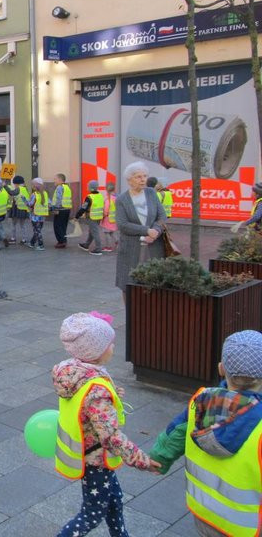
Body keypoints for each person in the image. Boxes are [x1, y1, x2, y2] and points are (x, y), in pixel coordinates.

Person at [54, 312, 159, 536]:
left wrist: (112, 393)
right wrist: (142, 461)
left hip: (92, 454)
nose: (113, 347)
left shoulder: (78, 371)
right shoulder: (96, 389)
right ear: (95, 352)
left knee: (114, 501)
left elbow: (87, 402)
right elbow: (110, 436)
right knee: (91, 515)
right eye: (110, 344)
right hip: (95, 461)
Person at [149, 330, 262, 537]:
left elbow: (174, 435)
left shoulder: (198, 402)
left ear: (221, 368)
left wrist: (159, 459)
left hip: (204, 513)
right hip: (247, 526)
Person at [114, 162, 166, 296]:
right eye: (138, 177)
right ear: (129, 180)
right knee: (128, 284)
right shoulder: (121, 199)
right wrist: (146, 231)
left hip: (154, 246)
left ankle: (150, 314)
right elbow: (122, 224)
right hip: (130, 248)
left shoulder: (151, 193)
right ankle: (131, 314)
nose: (143, 179)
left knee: (155, 283)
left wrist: (155, 231)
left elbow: (162, 216)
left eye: (145, 176)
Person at [75, 180, 105, 256]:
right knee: (92, 231)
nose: (87, 187)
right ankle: (86, 245)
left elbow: (83, 208)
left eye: (88, 186)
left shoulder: (89, 198)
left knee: (95, 232)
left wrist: (77, 216)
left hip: (92, 217)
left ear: (91, 188)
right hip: (99, 216)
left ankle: (98, 249)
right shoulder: (100, 195)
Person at [23, 177, 48, 251]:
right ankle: (32, 243)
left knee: (37, 231)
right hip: (42, 215)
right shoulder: (45, 193)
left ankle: (41, 245)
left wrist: (24, 199)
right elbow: (48, 203)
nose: (32, 186)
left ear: (35, 186)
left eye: (32, 184)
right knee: (38, 230)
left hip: (35, 215)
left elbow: (30, 204)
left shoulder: (34, 194)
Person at [50, 173, 74, 248]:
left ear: (60, 180)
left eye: (55, 179)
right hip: (66, 209)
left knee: (57, 226)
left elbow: (58, 199)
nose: (54, 180)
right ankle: (64, 240)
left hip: (60, 209)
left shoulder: (59, 187)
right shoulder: (67, 187)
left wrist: (54, 208)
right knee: (63, 226)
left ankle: (61, 241)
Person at [6, 175, 31, 246]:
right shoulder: (25, 189)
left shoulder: (19, 189)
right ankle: (24, 239)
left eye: (14, 183)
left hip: (17, 209)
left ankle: (13, 238)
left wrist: (5, 186)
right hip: (24, 209)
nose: (14, 185)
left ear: (16, 183)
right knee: (23, 225)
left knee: (13, 224)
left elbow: (11, 193)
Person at [101, 182, 118, 252]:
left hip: (107, 219)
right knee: (112, 232)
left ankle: (108, 247)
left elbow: (106, 209)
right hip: (114, 218)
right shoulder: (116, 198)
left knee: (107, 233)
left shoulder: (108, 199)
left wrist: (103, 215)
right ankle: (118, 241)